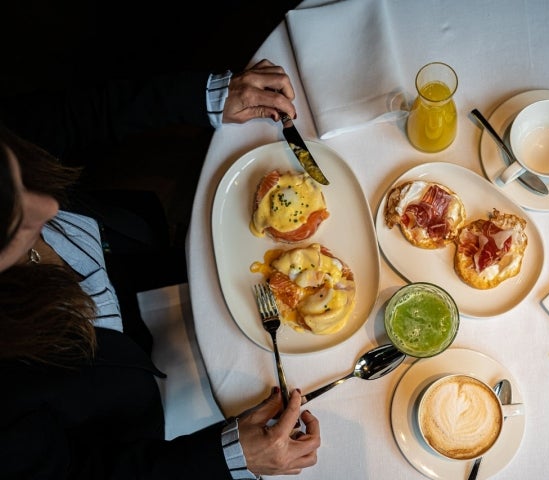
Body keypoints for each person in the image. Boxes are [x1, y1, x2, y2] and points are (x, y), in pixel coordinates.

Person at [0, 57, 320, 479]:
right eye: (12, 225)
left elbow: (73, 114)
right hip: (145, 418)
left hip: (143, 260)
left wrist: (209, 96)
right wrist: (228, 459)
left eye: (19, 177)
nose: (51, 206)